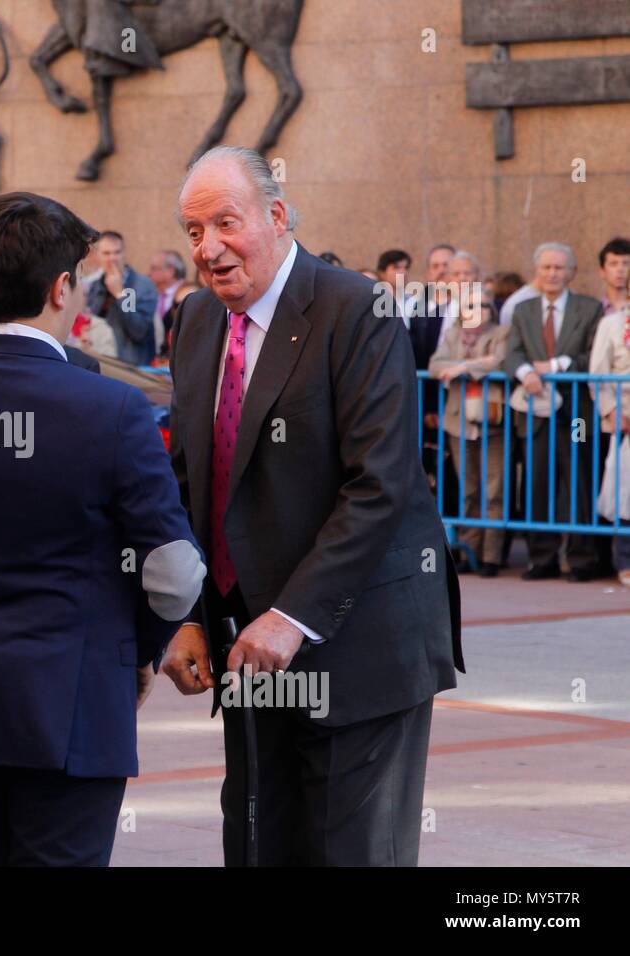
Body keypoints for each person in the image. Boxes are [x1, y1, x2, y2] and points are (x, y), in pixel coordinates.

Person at [0, 192, 205, 866]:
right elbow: (174, 573)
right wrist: (139, 649)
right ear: (61, 288)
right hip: (73, 703)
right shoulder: (112, 407)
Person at [162, 146, 463, 866]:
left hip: (358, 646)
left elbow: (379, 483)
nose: (208, 249)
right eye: (192, 232)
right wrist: (183, 617)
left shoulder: (357, 309)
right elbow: (186, 482)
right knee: (261, 844)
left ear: (276, 214)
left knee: (350, 852)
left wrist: (291, 617)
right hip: (246, 651)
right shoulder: (199, 319)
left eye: (224, 224)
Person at [504, 242, 603, 581]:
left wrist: (556, 365)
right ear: (537, 271)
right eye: (546, 267)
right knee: (537, 483)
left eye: (559, 268)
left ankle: (580, 560)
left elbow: (593, 357)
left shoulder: (589, 309)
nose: (552, 273)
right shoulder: (523, 311)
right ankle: (541, 558)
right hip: (536, 412)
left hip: (576, 412)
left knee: (577, 484)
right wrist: (526, 373)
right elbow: (512, 354)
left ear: (571, 272)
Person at [429, 296, 509, 576]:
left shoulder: (502, 333)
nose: (478, 311)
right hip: (458, 421)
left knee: (494, 489)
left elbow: (501, 361)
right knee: (469, 488)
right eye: (471, 306)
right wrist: (475, 364)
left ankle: (491, 556)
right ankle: (467, 550)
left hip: (493, 420)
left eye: (484, 305)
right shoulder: (452, 334)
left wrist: (463, 368)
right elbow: (436, 365)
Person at [589, 301, 630, 587]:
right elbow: (598, 374)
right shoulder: (613, 323)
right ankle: (626, 561)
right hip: (626, 418)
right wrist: (612, 410)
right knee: (625, 494)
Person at [83, 230, 158, 364]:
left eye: (117, 252)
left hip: (131, 368)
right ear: (97, 256)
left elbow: (138, 331)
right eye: (106, 253)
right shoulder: (94, 286)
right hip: (101, 363)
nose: (113, 258)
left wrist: (120, 294)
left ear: (124, 254)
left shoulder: (142, 285)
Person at [148, 249, 187, 360]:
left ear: (170, 271)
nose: (149, 273)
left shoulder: (186, 293)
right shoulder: (152, 293)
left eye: (154, 268)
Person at [597, 237, 630, 315]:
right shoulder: (594, 310)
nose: (620, 269)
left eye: (626, 263)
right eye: (613, 264)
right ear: (602, 271)